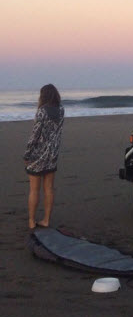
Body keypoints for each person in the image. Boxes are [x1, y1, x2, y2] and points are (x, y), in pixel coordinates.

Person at [24, 84, 65, 230]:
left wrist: (27, 154)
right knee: (49, 188)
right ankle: (46, 219)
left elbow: (35, 135)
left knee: (34, 189)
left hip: (38, 154)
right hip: (52, 154)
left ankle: (31, 220)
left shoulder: (42, 112)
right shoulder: (61, 110)